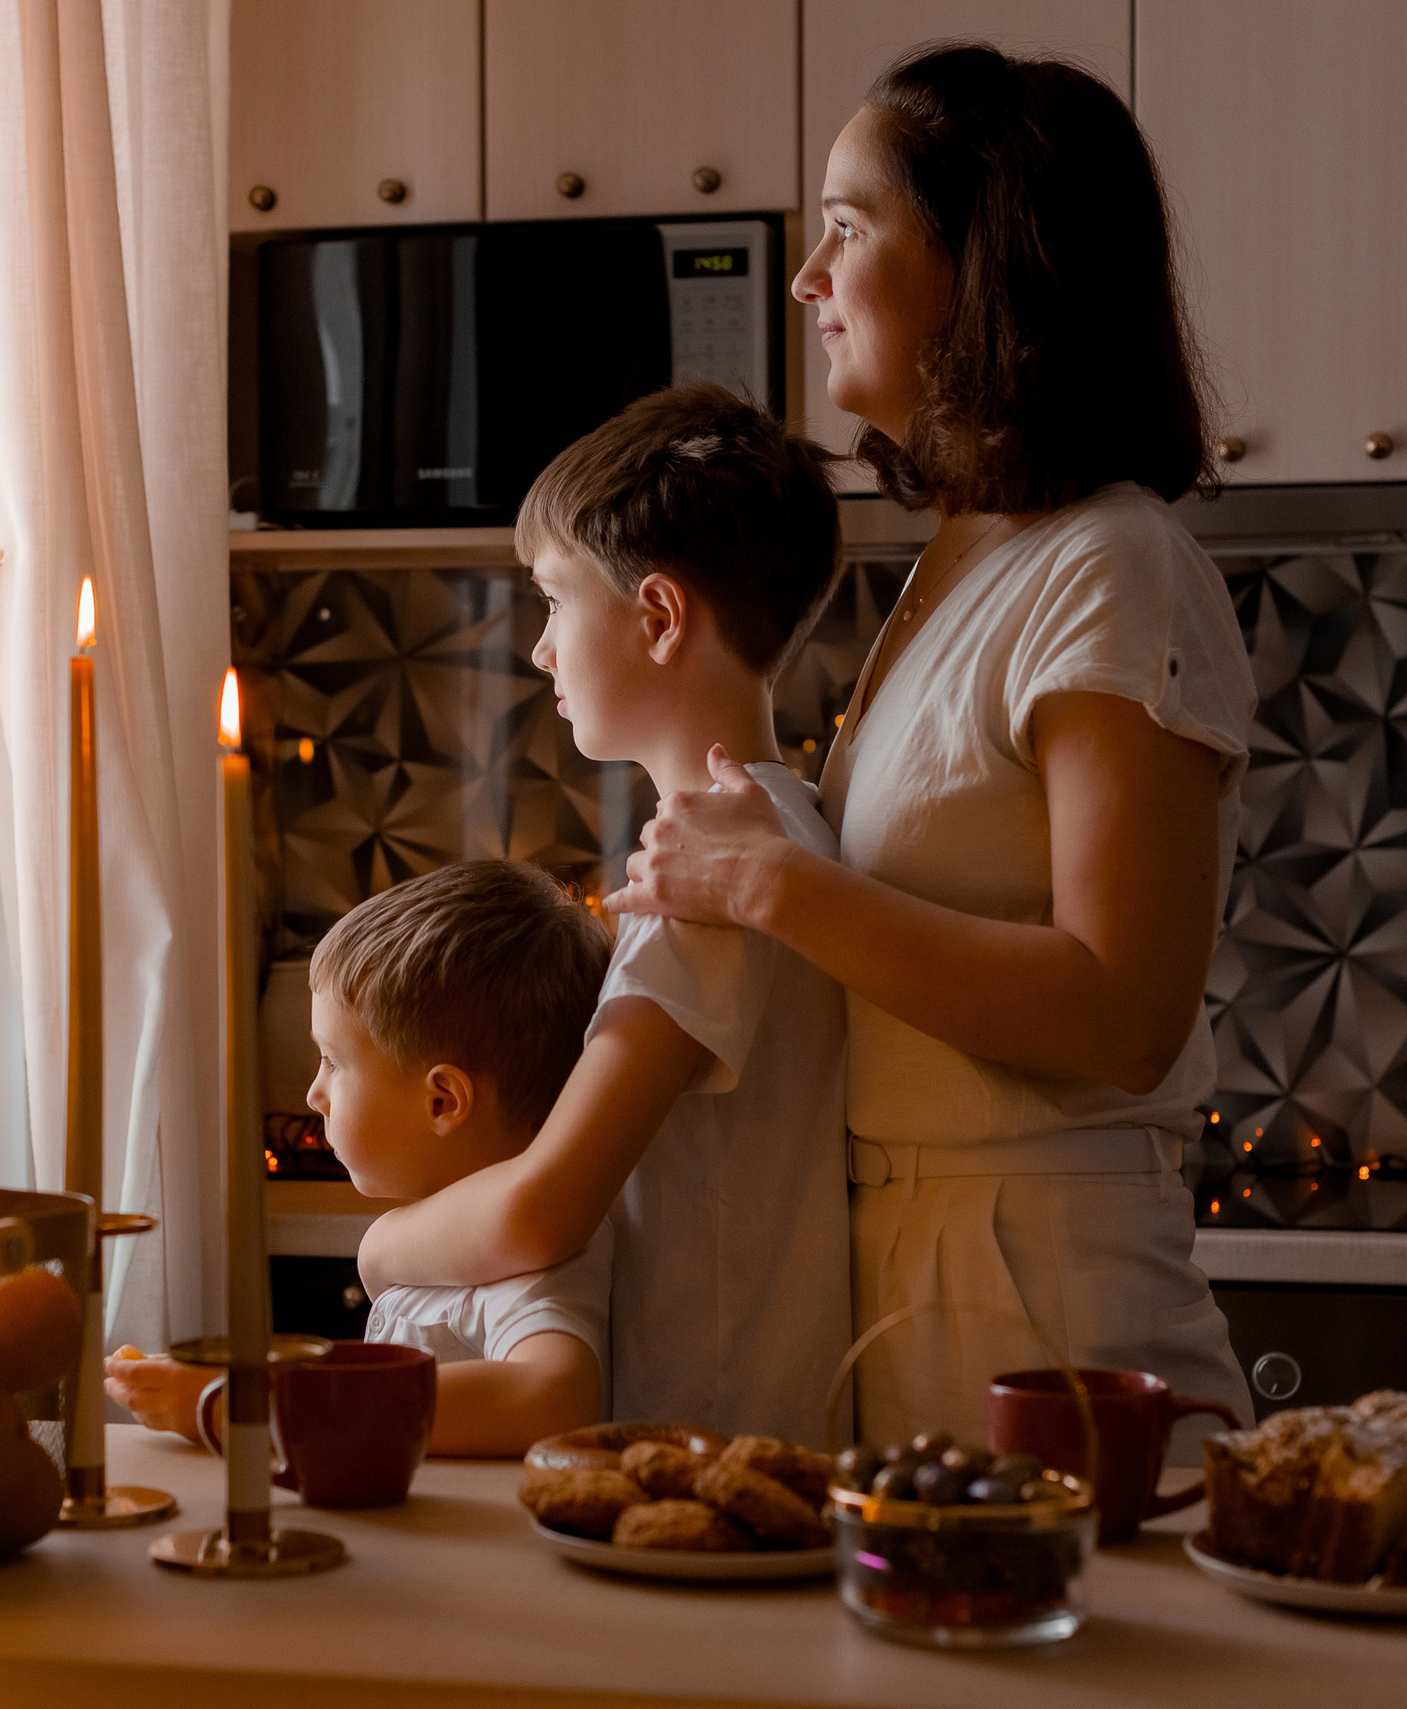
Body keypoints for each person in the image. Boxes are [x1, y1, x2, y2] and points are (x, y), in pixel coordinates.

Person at [604, 43, 1256, 1448]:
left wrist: (774, 882)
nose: (806, 278)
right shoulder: (964, 563)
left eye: (848, 226)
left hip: (1041, 1291)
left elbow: (1124, 1012)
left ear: (987, 261)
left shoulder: (1113, 565)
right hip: (917, 1267)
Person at [355, 385, 852, 1446]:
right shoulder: (779, 824)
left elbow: (543, 1205)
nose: (539, 650)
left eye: (552, 599)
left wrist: (381, 1249)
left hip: (703, 1432)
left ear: (660, 616)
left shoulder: (715, 872)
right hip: (737, 1422)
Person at [105, 860, 613, 1457]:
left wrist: (254, 1403)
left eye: (333, 1062)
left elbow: (553, 1397)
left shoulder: (528, 1265)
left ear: (442, 1100)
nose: (313, 1094)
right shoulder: (469, 1244)